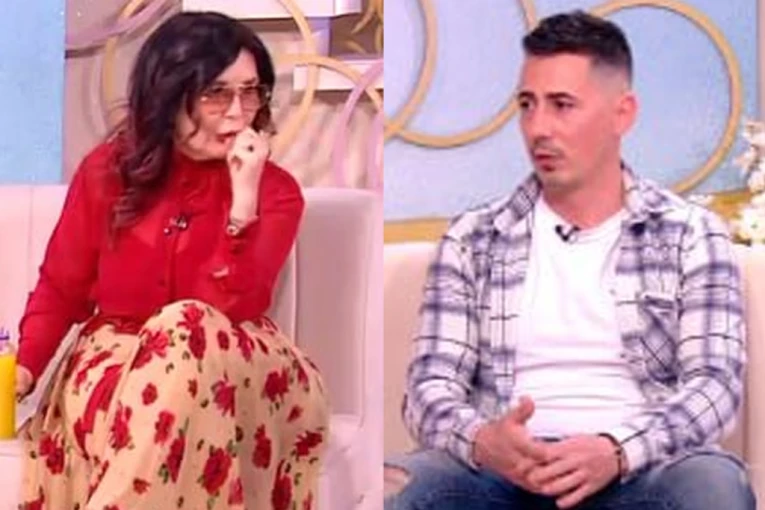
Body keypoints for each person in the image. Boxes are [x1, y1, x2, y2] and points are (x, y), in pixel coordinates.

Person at [386, 10, 755, 510]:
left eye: (562, 105)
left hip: (639, 470)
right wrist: (483, 440)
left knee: (711, 486)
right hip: (503, 476)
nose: (538, 128)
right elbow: (429, 388)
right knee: (402, 486)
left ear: (622, 114)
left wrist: (615, 450)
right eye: (527, 105)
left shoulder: (691, 234)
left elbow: (714, 386)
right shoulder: (473, 239)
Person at [16, 11, 328, 510]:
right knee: (155, 382)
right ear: (167, 95)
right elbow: (62, 286)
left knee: (186, 325)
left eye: (251, 92)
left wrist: (243, 205)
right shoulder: (107, 171)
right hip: (120, 356)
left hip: (237, 362)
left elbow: (238, 303)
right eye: (216, 94)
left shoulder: (275, 191)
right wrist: (25, 369)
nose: (238, 113)